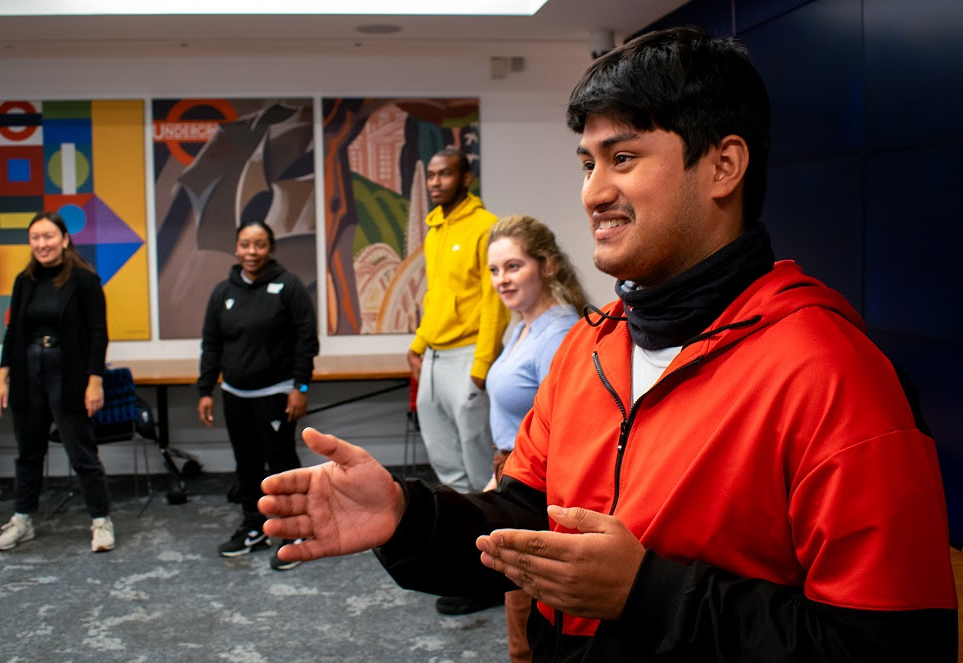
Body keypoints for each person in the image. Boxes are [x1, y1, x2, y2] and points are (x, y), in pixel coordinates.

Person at [259, 27, 957, 661]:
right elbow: (524, 523)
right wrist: (408, 515)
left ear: (723, 166)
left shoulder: (836, 374)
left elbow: (890, 646)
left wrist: (649, 592)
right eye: (587, 163)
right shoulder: (591, 349)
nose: (594, 192)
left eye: (623, 157)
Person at [484, 215, 587, 661]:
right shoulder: (521, 324)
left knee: (529, 615)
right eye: (494, 270)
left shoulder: (558, 333)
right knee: (518, 606)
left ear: (546, 266)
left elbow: (565, 430)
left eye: (513, 267)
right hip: (510, 466)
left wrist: (508, 486)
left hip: (535, 480)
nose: (501, 280)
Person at [198, 219, 319, 571]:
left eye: (260, 245)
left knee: (280, 464)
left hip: (277, 393)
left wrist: (302, 387)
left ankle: (296, 530)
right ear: (236, 249)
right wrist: (205, 389)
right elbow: (212, 344)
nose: (252, 252)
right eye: (246, 245)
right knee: (246, 465)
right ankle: (254, 528)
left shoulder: (288, 287)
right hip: (234, 393)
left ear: (271, 249)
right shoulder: (223, 292)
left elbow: (306, 341)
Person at [0, 211, 114, 553]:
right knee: (28, 453)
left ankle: (101, 520)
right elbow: (13, 332)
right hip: (28, 370)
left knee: (81, 452)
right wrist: (3, 378)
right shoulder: (24, 280)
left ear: (64, 239)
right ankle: (22, 520)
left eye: (48, 237)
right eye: (35, 238)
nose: (42, 244)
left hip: (69, 372)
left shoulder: (85, 280)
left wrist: (95, 381)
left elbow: (98, 334)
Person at [407, 146, 510, 496]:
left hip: (468, 356)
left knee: (478, 461)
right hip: (433, 358)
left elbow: (494, 301)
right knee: (444, 459)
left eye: (445, 174)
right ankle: (464, 537)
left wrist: (482, 365)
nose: (436, 182)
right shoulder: (434, 229)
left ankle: (492, 538)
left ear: (466, 178)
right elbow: (436, 295)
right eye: (432, 175)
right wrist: (418, 344)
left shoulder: (487, 227)